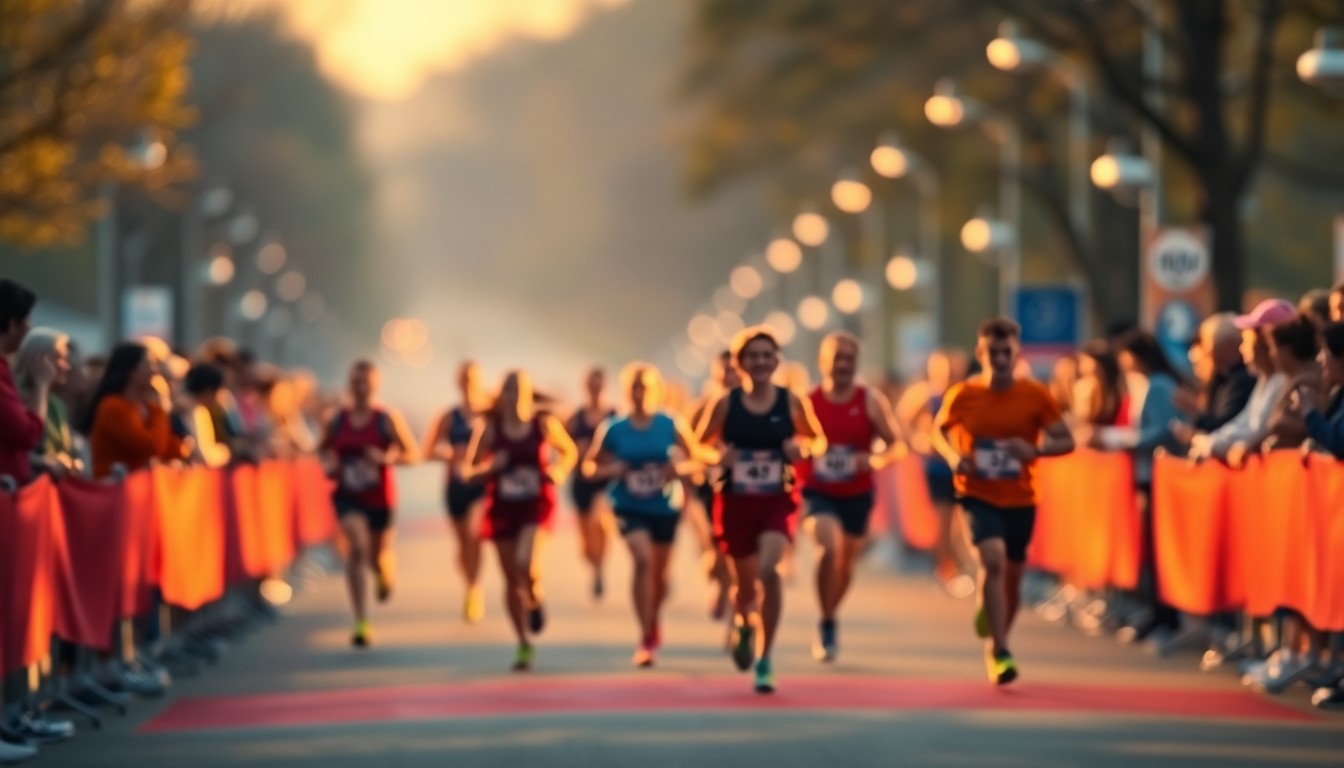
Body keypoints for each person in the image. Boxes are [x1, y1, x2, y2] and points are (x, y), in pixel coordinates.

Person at [933, 318, 1075, 685]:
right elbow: (938, 431)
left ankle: (997, 626)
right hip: (976, 491)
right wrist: (953, 457)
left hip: (1021, 496)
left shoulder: (1035, 395)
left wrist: (1035, 449)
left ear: (1017, 353)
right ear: (980, 354)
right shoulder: (962, 395)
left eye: (1006, 352)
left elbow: (1066, 440)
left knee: (1010, 576)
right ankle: (999, 650)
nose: (999, 358)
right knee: (992, 560)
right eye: (992, 352)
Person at [695, 326, 827, 694]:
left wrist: (802, 449)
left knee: (770, 571)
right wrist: (719, 455)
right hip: (736, 501)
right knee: (745, 585)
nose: (761, 362)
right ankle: (744, 623)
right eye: (753, 356)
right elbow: (699, 445)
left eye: (767, 355)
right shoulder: (726, 403)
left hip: (776, 500)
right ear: (741, 363)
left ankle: (766, 658)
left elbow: (817, 440)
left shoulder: (792, 401)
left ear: (776, 361)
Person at [583, 363, 703, 667]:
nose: (639, 394)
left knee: (659, 574)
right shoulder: (613, 428)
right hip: (627, 505)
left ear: (656, 391)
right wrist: (612, 470)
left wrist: (677, 470)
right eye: (633, 388)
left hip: (664, 507)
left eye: (644, 387)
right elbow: (590, 466)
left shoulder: (670, 424)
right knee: (642, 559)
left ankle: (653, 621)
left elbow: (697, 460)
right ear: (626, 392)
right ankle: (645, 635)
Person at [800, 332, 906, 662]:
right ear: (823, 362)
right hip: (818, 490)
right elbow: (789, 441)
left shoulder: (870, 400)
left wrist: (872, 459)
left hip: (857, 492)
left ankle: (830, 616)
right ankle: (825, 619)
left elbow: (896, 445)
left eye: (849, 359)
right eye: (837, 358)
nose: (843, 365)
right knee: (827, 545)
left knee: (845, 563)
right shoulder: (807, 402)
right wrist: (803, 453)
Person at [463, 370, 578, 671]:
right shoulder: (490, 429)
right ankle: (523, 642)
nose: (515, 396)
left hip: (535, 506)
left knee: (526, 563)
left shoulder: (543, 424)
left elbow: (568, 452)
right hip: (502, 508)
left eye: (521, 390)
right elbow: (468, 471)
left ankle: (536, 600)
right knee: (511, 579)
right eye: (509, 391)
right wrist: (491, 468)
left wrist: (559, 472)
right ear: (502, 396)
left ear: (529, 394)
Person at [318, 360, 419, 648]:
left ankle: (384, 571)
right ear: (349, 385)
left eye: (366, 382)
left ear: (375, 384)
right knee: (357, 548)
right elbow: (322, 451)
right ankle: (361, 620)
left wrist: (387, 459)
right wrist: (329, 464)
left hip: (380, 498)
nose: (361, 388)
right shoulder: (336, 419)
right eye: (356, 382)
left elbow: (413, 453)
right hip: (349, 496)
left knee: (376, 557)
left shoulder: (386, 418)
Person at [1173, 300, 1294, 466]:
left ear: (1267, 343)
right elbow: (1243, 423)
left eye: (1246, 340)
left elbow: (1256, 430)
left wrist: (1202, 440)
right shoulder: (1265, 380)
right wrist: (1206, 442)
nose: (1242, 348)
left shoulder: (1278, 382)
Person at [896, 349, 975, 596]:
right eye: (943, 368)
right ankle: (945, 570)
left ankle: (964, 566)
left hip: (964, 467)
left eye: (953, 368)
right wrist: (918, 441)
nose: (949, 373)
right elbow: (902, 420)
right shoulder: (926, 395)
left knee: (964, 523)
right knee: (943, 522)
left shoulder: (967, 395)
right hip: (938, 468)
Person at [422, 360, 491, 624]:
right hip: (456, 487)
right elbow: (427, 450)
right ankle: (469, 584)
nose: (468, 385)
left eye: (473, 379)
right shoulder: (449, 417)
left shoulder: (489, 414)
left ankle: (475, 590)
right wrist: (449, 453)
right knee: (463, 542)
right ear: (458, 383)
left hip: (482, 486)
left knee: (475, 534)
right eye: (464, 380)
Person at [687, 350, 739, 621]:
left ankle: (738, 614)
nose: (730, 375)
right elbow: (689, 447)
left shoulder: (754, 404)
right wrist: (712, 457)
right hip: (709, 486)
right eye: (725, 370)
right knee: (717, 550)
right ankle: (719, 584)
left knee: (740, 552)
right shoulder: (703, 406)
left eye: (734, 369)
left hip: (745, 486)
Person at [567, 367, 616, 600]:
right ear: (586, 386)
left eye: (599, 384)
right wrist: (577, 451)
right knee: (586, 538)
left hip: (605, 481)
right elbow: (563, 450)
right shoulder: (575, 418)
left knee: (600, 522)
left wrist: (606, 456)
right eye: (591, 384)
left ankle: (600, 568)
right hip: (581, 482)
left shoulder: (614, 415)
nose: (596, 389)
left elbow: (624, 447)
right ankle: (594, 564)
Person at [13, 329, 79, 479]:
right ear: (37, 359)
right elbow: (28, 444)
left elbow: (66, 450)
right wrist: (41, 385)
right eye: (60, 358)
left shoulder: (56, 405)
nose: (67, 367)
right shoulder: (16, 400)